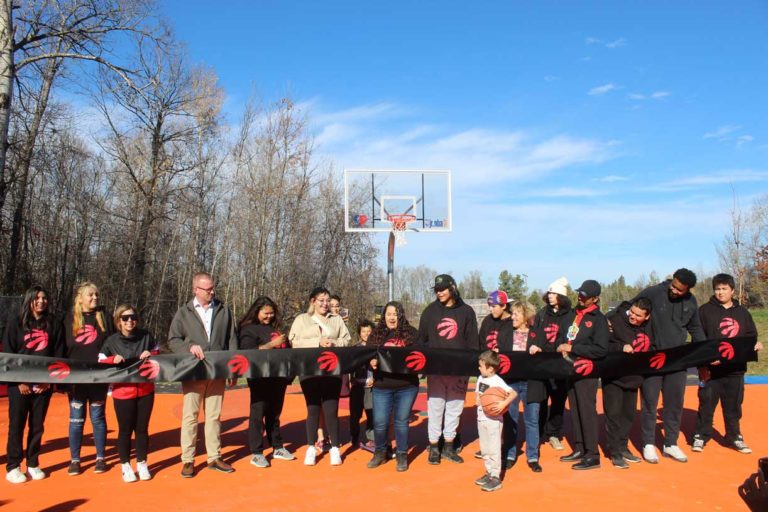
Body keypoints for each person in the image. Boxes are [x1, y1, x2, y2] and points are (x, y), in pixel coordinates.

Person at [168, 272, 238, 477]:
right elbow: (173, 340)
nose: (212, 292)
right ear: (196, 290)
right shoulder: (184, 312)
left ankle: (214, 457)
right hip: (193, 372)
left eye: (213, 288)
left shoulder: (224, 310)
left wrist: (232, 368)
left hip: (217, 371)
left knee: (214, 417)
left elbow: (231, 340)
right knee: (190, 417)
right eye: (207, 289)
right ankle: (188, 460)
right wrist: (189, 347)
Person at [634, 268, 705, 463]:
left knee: (674, 403)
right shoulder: (653, 292)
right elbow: (631, 308)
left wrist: (704, 355)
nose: (674, 290)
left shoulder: (691, 302)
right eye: (673, 285)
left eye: (679, 289)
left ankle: (671, 444)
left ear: (688, 289)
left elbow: (696, 329)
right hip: (653, 358)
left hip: (677, 361)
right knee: (649, 401)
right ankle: (648, 444)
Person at [691, 273, 762, 454]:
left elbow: (750, 336)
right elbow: (699, 340)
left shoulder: (742, 312)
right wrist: (703, 364)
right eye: (717, 289)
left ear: (732, 290)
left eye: (724, 289)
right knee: (706, 404)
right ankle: (701, 435)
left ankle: (734, 436)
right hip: (711, 370)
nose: (720, 292)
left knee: (733, 406)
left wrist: (755, 345)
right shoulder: (704, 311)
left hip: (735, 370)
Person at [3, 286, 64, 484]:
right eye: (37, 298)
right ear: (29, 300)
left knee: (37, 426)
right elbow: (8, 355)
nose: (41, 301)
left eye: (44, 298)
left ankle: (33, 463)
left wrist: (48, 382)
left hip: (43, 386)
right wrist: (19, 381)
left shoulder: (54, 323)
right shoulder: (16, 322)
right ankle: (13, 466)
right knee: (17, 425)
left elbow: (58, 354)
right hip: (19, 386)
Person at [417, 274, 479, 465]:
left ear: (452, 288)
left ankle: (449, 447)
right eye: (436, 289)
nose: (439, 292)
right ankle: (434, 447)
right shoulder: (430, 311)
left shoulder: (467, 312)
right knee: (435, 409)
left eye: (442, 289)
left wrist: (470, 365)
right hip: (436, 371)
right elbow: (422, 341)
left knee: (454, 409)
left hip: (459, 372)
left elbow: (473, 343)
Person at [289, 286, 351, 466]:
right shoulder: (302, 319)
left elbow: (346, 340)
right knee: (313, 408)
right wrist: (317, 342)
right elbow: (294, 342)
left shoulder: (337, 319)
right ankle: (310, 447)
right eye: (321, 301)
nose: (325, 304)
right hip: (309, 371)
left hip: (332, 371)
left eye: (327, 301)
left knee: (331, 410)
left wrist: (334, 343)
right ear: (313, 302)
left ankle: (335, 449)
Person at [98, 305, 159, 482]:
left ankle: (142, 463)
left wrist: (152, 353)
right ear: (119, 321)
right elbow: (100, 360)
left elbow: (159, 353)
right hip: (123, 391)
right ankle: (125, 465)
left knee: (142, 429)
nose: (130, 321)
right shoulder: (112, 341)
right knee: (125, 430)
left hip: (145, 389)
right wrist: (112, 359)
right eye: (125, 318)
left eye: (132, 317)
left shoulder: (146, 336)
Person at [237, 296, 295, 468]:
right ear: (257, 312)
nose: (269, 316)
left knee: (275, 413)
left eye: (272, 313)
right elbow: (248, 352)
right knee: (258, 414)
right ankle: (257, 452)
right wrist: (272, 344)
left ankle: (277, 446)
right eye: (266, 313)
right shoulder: (248, 329)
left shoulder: (274, 327)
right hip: (259, 377)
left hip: (278, 377)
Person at [557, 279, 608, 470]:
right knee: (576, 409)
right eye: (580, 293)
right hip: (570, 369)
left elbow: (601, 349)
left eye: (585, 296)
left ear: (595, 298)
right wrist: (562, 345)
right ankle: (580, 447)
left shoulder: (598, 319)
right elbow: (564, 335)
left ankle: (592, 454)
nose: (580, 297)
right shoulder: (572, 314)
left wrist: (573, 348)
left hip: (587, 371)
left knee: (587, 412)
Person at [365, 301, 420, 472]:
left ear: (401, 316)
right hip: (382, 385)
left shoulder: (411, 334)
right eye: (388, 314)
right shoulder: (376, 334)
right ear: (384, 316)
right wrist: (371, 362)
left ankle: (402, 454)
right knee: (380, 422)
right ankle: (380, 451)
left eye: (395, 314)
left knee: (401, 422)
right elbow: (366, 357)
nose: (391, 317)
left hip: (407, 386)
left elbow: (419, 357)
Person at [65, 281, 112, 476]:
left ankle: (100, 457)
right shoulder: (68, 318)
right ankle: (75, 459)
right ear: (80, 298)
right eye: (90, 295)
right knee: (76, 419)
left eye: (96, 295)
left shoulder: (105, 317)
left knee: (98, 417)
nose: (95, 298)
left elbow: (113, 343)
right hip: (76, 378)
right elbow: (61, 346)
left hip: (98, 377)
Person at [603, 298, 654, 468]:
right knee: (613, 416)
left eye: (638, 315)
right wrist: (620, 347)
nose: (632, 316)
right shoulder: (615, 321)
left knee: (628, 416)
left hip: (634, 379)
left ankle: (623, 447)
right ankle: (615, 452)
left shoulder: (650, 327)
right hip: (614, 378)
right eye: (632, 312)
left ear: (646, 317)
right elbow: (603, 345)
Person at [498, 300, 546, 472]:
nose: (513, 317)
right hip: (510, 383)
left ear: (525, 316)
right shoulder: (505, 333)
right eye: (513, 313)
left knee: (532, 420)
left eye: (517, 314)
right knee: (510, 420)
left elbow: (547, 356)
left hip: (531, 383)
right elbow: (500, 356)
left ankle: (533, 457)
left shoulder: (538, 334)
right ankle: (510, 454)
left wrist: (540, 350)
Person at [535, 277, 572, 451]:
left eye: (554, 293)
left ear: (561, 296)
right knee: (541, 400)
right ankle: (539, 432)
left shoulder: (571, 315)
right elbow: (535, 334)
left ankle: (554, 434)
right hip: (542, 364)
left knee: (558, 401)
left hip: (561, 365)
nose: (550, 296)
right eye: (549, 293)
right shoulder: (542, 314)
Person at [474, 350, 516, 492]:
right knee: (485, 449)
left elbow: (513, 393)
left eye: (481, 366)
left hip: (493, 420)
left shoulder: (497, 381)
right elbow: (479, 394)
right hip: (481, 417)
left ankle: (496, 477)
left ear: (490, 368)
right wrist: (479, 398)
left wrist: (503, 404)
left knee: (494, 448)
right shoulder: (480, 378)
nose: (479, 368)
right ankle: (488, 473)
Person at [349, 319, 375, 452]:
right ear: (359, 333)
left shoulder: (377, 348)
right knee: (355, 414)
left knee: (371, 413)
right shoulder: (355, 349)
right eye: (364, 331)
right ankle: (354, 436)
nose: (367, 333)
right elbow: (350, 368)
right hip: (358, 387)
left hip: (372, 388)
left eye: (369, 331)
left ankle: (371, 439)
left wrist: (375, 379)